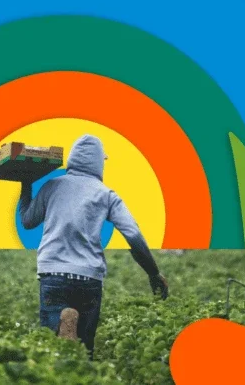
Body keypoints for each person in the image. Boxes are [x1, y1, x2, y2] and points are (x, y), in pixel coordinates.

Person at [18, 134, 169, 360]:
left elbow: (28, 221)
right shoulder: (106, 194)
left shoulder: (52, 186)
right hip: (88, 277)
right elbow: (133, 235)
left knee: (50, 348)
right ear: (99, 162)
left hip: (53, 272)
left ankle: (62, 321)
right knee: (85, 350)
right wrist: (153, 273)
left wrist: (25, 185)